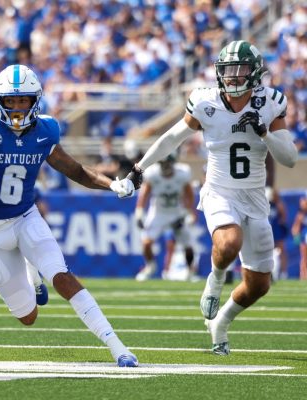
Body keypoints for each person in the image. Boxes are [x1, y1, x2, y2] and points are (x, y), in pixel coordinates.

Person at [0, 64, 139, 367]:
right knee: (28, 316)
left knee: (62, 277)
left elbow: (76, 170)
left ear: (35, 100)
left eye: (23, 100)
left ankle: (118, 347)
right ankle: (31, 269)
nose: (16, 107)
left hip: (26, 217)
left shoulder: (45, 130)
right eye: (11, 101)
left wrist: (112, 184)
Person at [120, 41, 298, 355]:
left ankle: (221, 323)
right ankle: (215, 279)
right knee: (229, 243)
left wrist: (266, 134)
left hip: (255, 198)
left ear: (254, 73)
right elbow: (173, 137)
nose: (231, 76)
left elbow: (289, 159)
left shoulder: (270, 103)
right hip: (219, 190)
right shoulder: (206, 102)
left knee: (259, 285)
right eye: (227, 70)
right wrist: (139, 168)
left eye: (239, 69)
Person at [134, 154, 196, 281]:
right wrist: (139, 211)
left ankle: (190, 271)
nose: (165, 166)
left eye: (167, 163)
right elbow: (145, 192)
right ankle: (150, 266)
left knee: (188, 245)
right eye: (163, 164)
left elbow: (189, 194)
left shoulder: (182, 173)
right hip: (158, 212)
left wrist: (187, 213)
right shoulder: (153, 174)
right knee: (146, 242)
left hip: (176, 212)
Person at [265, 186, 289, 281]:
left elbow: (283, 217)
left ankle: (283, 273)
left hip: (276, 231)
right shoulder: (264, 205)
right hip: (267, 230)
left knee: (281, 251)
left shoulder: (278, 204)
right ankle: (269, 273)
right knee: (267, 252)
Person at [291, 195, 307, 280]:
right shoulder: (301, 215)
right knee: (304, 258)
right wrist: (296, 236)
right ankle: (303, 276)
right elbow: (295, 228)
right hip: (304, 239)